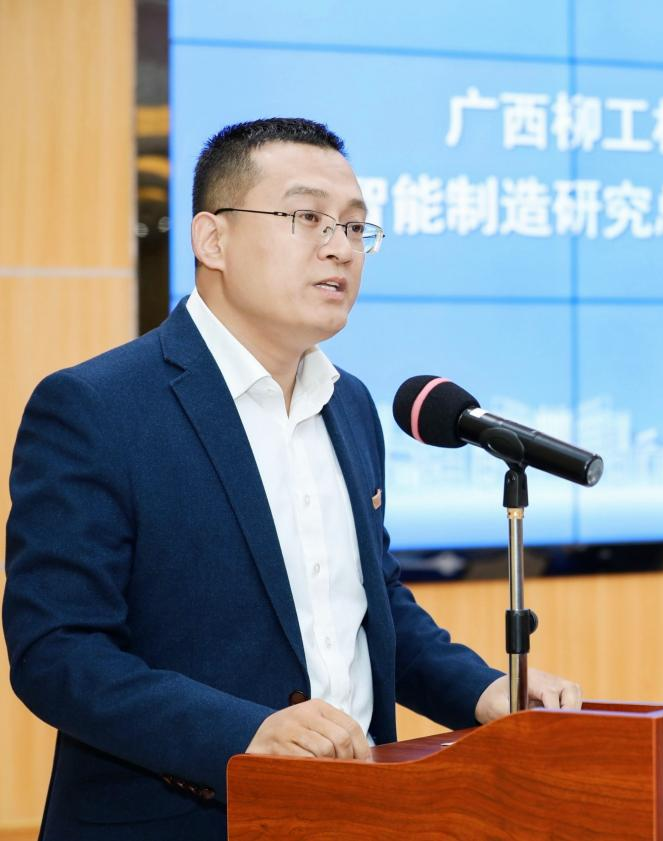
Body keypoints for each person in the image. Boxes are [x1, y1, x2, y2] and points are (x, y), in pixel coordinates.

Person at [3, 117, 580, 840]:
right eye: (307, 217)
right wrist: (246, 733)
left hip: (360, 810)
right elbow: (58, 650)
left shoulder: (350, 404)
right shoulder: (98, 407)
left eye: (355, 226)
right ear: (212, 239)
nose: (340, 247)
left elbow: (371, 604)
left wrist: (484, 689)